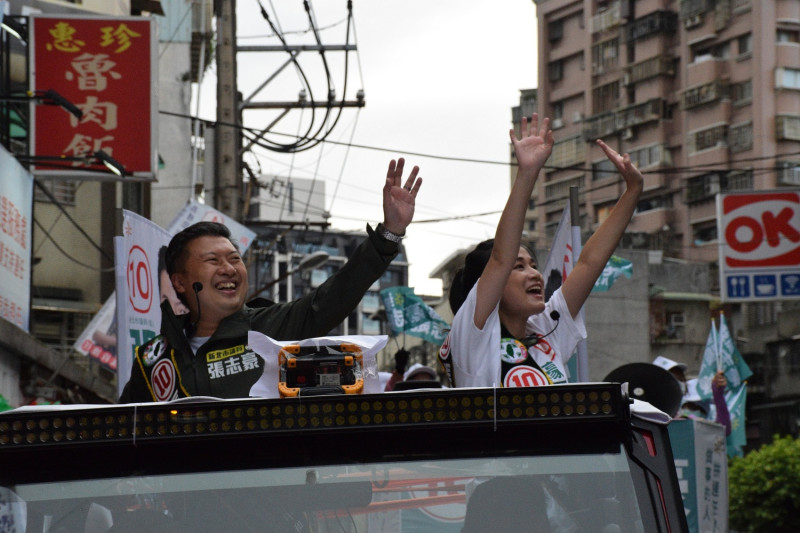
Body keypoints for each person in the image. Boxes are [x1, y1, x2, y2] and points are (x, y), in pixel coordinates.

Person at [119, 158, 422, 402]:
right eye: (213, 261)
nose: (228, 269)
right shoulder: (152, 360)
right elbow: (124, 436)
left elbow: (334, 296)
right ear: (180, 282)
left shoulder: (271, 329)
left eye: (234, 258)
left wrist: (388, 234)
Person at [438, 114, 643, 389]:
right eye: (519, 266)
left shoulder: (547, 331)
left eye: (533, 264)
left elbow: (589, 263)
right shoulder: (473, 336)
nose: (535, 274)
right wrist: (528, 173)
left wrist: (633, 190)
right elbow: (500, 259)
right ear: (488, 285)